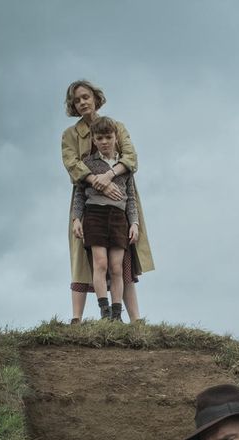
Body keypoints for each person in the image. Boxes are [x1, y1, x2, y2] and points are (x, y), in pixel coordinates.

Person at [60, 79, 155, 323]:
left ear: (95, 97)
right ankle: (77, 318)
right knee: (85, 259)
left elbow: (131, 157)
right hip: (88, 199)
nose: (82, 102)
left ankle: (132, 319)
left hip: (120, 194)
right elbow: (71, 164)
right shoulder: (70, 135)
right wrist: (95, 180)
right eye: (77, 100)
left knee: (122, 261)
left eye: (86, 97)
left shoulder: (117, 126)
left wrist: (109, 175)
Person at [71, 117, 140, 321]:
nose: (104, 141)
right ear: (93, 139)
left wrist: (134, 223)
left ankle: (117, 314)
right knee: (100, 263)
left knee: (116, 267)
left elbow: (131, 197)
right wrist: (76, 218)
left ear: (115, 137)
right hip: (94, 216)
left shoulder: (124, 165)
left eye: (108, 137)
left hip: (119, 218)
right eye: (99, 138)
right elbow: (79, 194)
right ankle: (104, 311)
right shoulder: (88, 164)